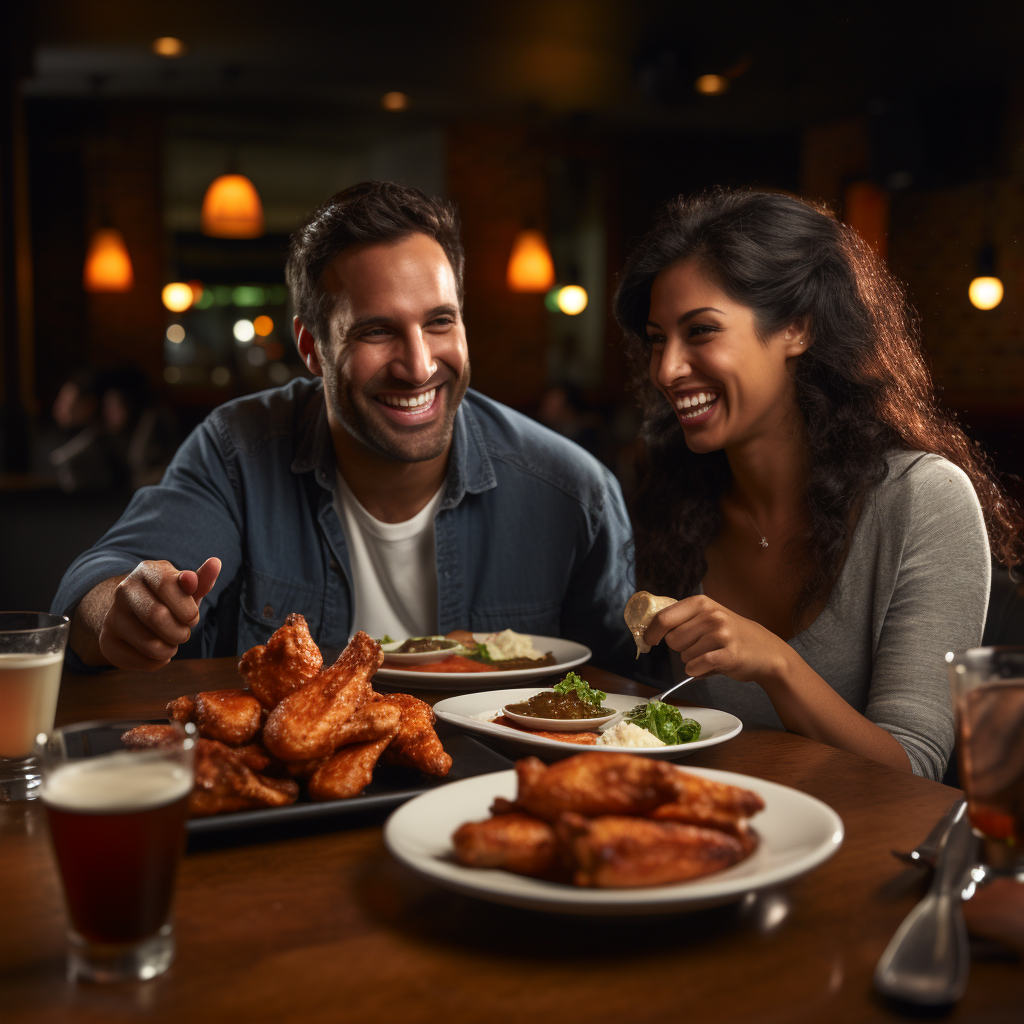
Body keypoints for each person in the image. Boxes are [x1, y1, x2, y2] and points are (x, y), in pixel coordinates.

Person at [54, 181, 635, 674]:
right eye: (377, 331)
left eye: (439, 322)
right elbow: (99, 585)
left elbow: (631, 695)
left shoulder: (573, 493)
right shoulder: (240, 452)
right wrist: (121, 611)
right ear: (313, 347)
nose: (420, 366)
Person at [613, 188, 1023, 781]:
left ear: (797, 328)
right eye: (657, 339)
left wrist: (776, 663)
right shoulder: (674, 496)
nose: (667, 369)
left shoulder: (924, 500)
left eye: (700, 331)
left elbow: (913, 771)